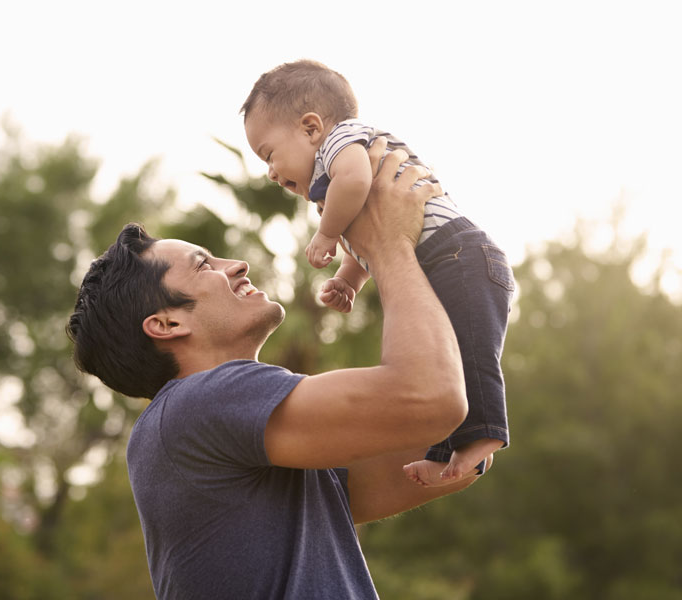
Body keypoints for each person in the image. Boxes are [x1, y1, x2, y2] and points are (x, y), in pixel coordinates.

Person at [67, 143, 481, 599]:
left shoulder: (240, 440)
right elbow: (432, 399)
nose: (237, 265)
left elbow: (443, 448)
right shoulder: (200, 402)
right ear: (167, 324)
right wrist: (387, 246)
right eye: (204, 264)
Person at [241, 59, 515, 486]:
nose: (271, 172)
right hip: (442, 259)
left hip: (459, 254)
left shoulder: (341, 142)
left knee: (471, 351)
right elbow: (368, 237)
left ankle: (484, 438)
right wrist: (349, 278)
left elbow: (356, 182)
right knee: (444, 362)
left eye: (269, 154)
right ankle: (449, 451)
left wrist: (326, 235)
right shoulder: (328, 175)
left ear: (311, 128)